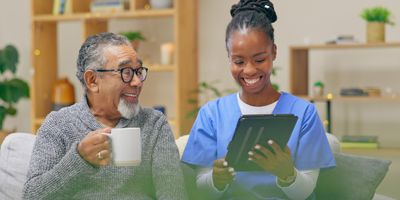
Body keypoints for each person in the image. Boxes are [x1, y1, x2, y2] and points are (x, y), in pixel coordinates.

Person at [181, 0, 335, 199]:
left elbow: (305, 192)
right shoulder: (212, 114)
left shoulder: (304, 113)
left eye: (259, 59)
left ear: (274, 53)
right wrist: (216, 180)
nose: (250, 70)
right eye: (239, 61)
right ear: (229, 58)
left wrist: (287, 174)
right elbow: (201, 190)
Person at [23, 32, 187, 200]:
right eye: (126, 72)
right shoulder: (58, 125)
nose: (138, 82)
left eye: (138, 71)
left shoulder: (154, 124)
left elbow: (173, 194)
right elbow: (31, 196)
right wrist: (80, 159)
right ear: (92, 80)